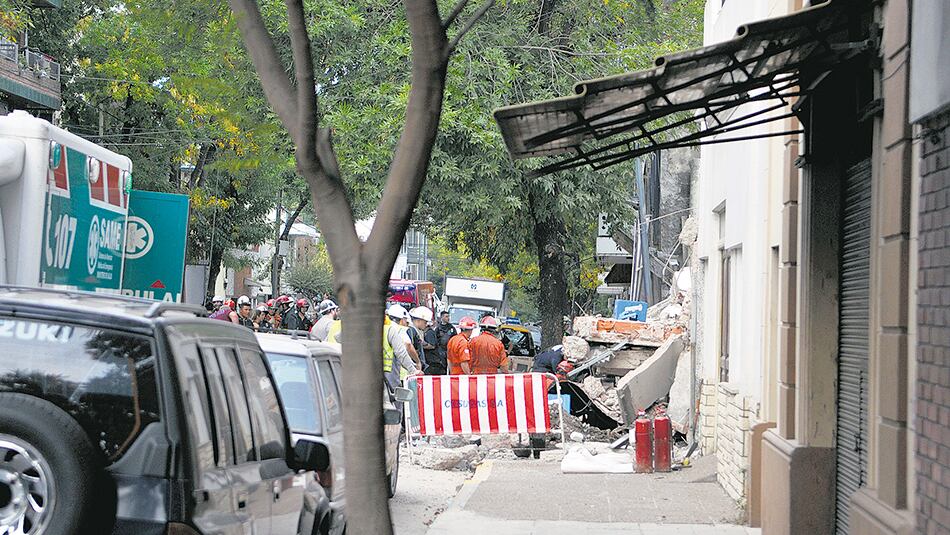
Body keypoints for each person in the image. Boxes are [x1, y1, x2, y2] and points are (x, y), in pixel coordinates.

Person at [387, 304, 422, 370]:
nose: (407, 324)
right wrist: (417, 362)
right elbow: (408, 345)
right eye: (406, 321)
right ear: (402, 320)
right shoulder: (399, 329)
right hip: (398, 369)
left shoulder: (385, 328)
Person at [408, 306, 433, 373]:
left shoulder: (414, 331)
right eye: (425, 322)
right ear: (418, 321)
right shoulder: (411, 331)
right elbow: (410, 348)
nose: (426, 325)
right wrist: (418, 362)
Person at [421, 310, 444, 375]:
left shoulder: (429, 333)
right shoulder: (426, 333)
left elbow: (432, 346)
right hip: (430, 361)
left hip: (433, 362)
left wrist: (421, 346)